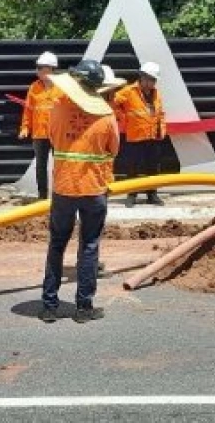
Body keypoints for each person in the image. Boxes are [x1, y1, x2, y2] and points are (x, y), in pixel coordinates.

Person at [39, 60, 119, 324]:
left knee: (57, 243)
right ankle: (84, 308)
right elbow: (114, 149)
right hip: (94, 188)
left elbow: (52, 139)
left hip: (63, 186)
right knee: (89, 246)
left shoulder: (58, 109)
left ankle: (49, 305)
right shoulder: (106, 117)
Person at [114, 62, 166, 207]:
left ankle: (152, 195)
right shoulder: (129, 91)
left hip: (153, 136)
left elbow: (160, 112)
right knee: (133, 167)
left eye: (154, 80)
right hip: (135, 136)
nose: (152, 83)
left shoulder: (156, 93)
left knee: (153, 167)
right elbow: (114, 103)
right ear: (142, 77)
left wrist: (161, 129)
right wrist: (123, 118)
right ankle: (131, 195)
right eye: (150, 79)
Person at [18, 51, 63, 199]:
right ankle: (42, 196)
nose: (38, 71)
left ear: (51, 69)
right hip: (39, 133)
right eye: (38, 68)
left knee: (60, 166)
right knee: (41, 166)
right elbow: (28, 110)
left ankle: (59, 194)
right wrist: (25, 127)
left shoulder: (62, 87)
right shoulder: (34, 87)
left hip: (58, 133)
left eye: (41, 68)